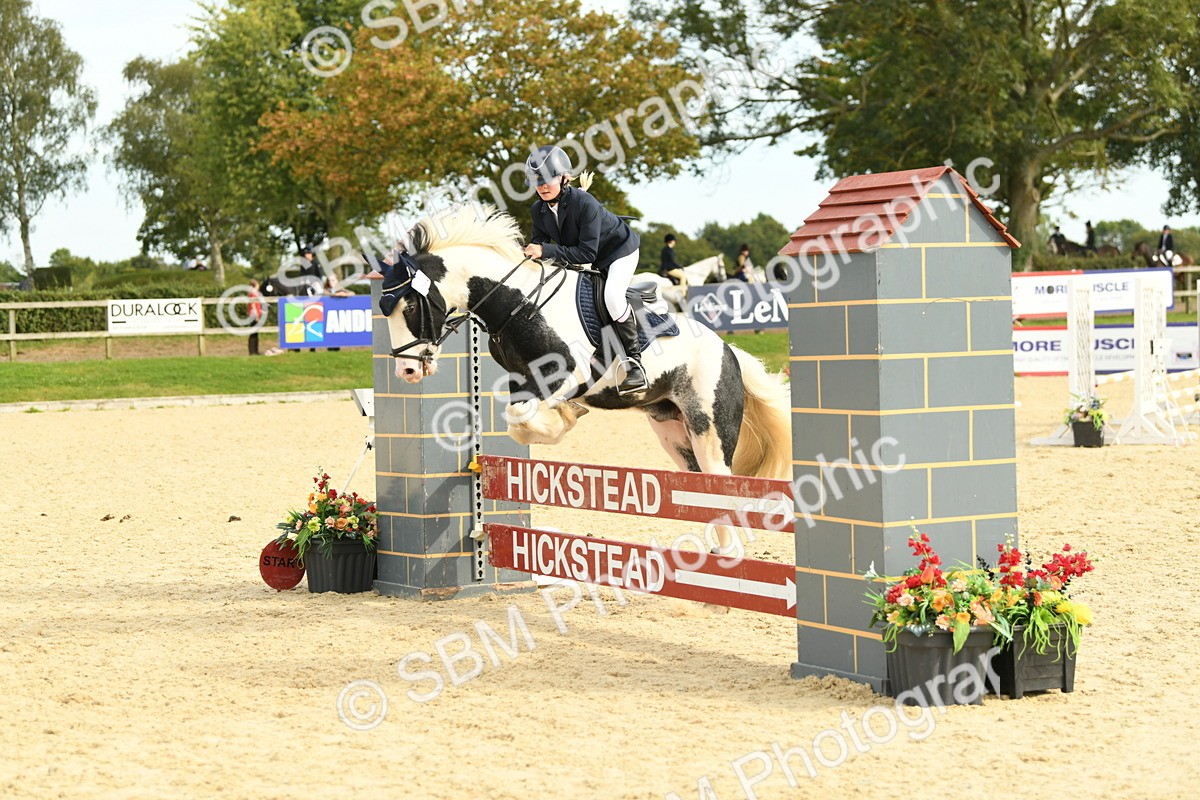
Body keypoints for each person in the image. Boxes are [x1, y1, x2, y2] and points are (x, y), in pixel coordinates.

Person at [521, 144, 647, 395]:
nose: (543, 186)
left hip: (619, 252)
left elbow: (585, 253)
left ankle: (634, 364)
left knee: (612, 296)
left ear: (564, 177)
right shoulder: (538, 210)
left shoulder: (584, 202)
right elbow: (539, 245)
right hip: (591, 256)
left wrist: (544, 251)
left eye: (549, 180)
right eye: (538, 181)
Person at [247, 279, 263, 356]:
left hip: (253, 314)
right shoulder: (253, 293)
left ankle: (254, 350)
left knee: (254, 333)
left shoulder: (252, 293)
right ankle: (253, 351)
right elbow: (253, 304)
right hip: (254, 314)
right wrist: (256, 315)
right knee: (254, 333)